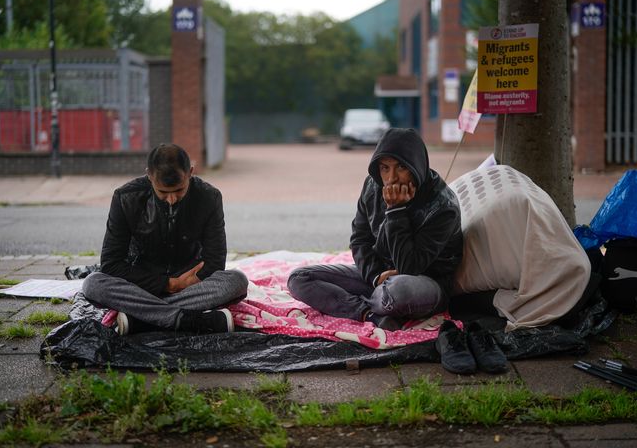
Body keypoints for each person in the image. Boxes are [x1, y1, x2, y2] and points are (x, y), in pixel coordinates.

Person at [287, 128, 463, 330]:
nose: (392, 178)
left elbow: (410, 267)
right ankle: (370, 314)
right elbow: (359, 240)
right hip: (380, 276)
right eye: (385, 168)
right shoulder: (373, 186)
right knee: (299, 278)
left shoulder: (443, 207)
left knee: (398, 292)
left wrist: (396, 210)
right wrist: (375, 276)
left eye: (401, 167)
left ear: (417, 166)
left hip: (423, 283)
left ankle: (363, 301)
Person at [82, 143, 248, 335]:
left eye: (179, 190)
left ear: (190, 173)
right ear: (149, 176)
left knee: (237, 280)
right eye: (163, 192)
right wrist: (169, 284)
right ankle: (185, 319)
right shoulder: (125, 198)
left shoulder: (209, 197)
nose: (171, 199)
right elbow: (111, 264)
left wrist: (187, 283)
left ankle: (144, 318)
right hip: (142, 284)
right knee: (93, 283)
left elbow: (216, 260)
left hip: (190, 285)